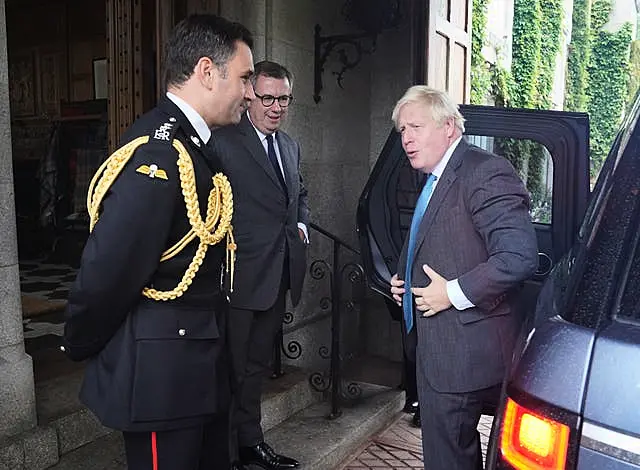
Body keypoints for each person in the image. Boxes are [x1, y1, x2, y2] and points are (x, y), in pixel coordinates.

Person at [61, 14, 255, 469]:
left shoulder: (194, 145)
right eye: (245, 78)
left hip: (195, 365)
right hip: (163, 381)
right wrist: (79, 342)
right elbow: (110, 269)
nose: (250, 93)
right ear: (207, 72)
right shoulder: (158, 153)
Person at [389, 86, 538, 470]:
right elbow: (437, 243)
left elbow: (518, 256)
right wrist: (402, 280)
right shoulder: (436, 176)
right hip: (439, 351)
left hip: (463, 355)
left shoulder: (484, 171)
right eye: (402, 130)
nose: (406, 138)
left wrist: (451, 293)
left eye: (416, 127)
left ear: (450, 127)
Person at [211, 60, 310, 470]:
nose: (276, 107)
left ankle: (251, 444)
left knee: (255, 370)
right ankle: (224, 455)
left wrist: (301, 224)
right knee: (229, 372)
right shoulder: (223, 142)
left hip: (277, 276)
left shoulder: (289, 145)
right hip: (237, 279)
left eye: (283, 98)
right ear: (249, 95)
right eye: (268, 98)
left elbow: (300, 192)